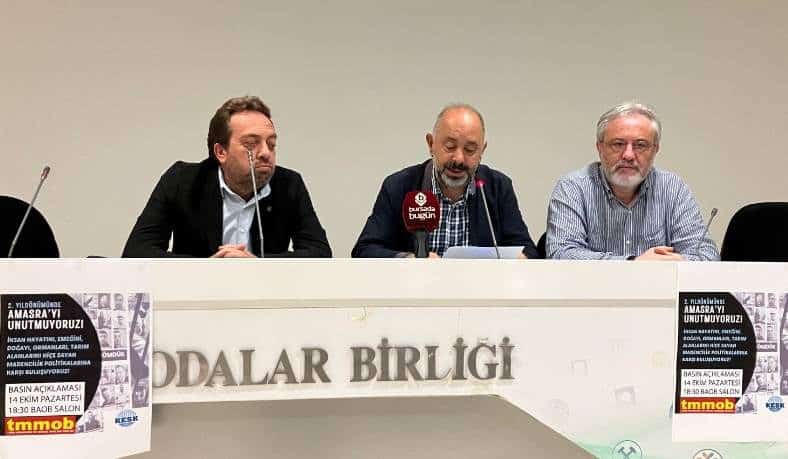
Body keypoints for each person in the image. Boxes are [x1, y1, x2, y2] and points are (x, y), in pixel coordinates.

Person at [123, 96, 331, 258]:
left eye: (271, 144)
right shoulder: (182, 181)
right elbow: (137, 252)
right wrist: (209, 269)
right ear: (221, 152)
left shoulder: (289, 185)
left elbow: (320, 253)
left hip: (263, 295)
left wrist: (258, 264)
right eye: (251, 144)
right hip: (197, 294)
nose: (265, 153)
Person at [352, 103, 538, 258]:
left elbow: (528, 250)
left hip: (478, 289)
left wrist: (522, 259)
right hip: (415, 288)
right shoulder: (399, 186)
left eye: (470, 150)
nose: (459, 159)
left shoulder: (498, 187)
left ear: (482, 150)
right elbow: (364, 250)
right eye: (450, 146)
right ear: (431, 144)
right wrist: (409, 260)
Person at [546, 101, 719, 260]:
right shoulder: (573, 188)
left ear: (655, 150)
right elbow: (561, 254)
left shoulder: (673, 189)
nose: (628, 155)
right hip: (595, 285)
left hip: (658, 285)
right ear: (600, 148)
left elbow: (707, 256)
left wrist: (680, 261)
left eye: (640, 145)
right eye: (618, 144)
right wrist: (634, 263)